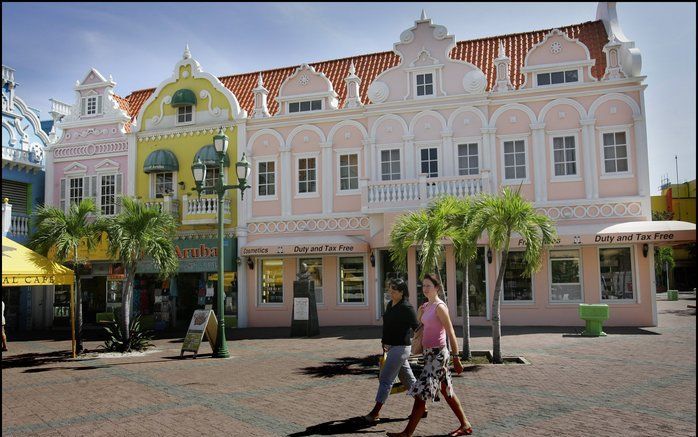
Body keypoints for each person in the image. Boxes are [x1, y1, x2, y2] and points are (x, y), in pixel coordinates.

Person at [387, 273, 473, 437]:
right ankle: (465, 425)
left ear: (437, 288)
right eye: (423, 286)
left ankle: (407, 432)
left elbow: (451, 332)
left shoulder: (440, 307)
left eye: (428, 286)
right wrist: (419, 313)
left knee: (420, 395)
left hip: (438, 355)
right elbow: (419, 329)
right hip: (428, 355)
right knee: (447, 391)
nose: (425, 289)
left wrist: (456, 357)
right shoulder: (426, 306)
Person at [363, 278, 422, 423]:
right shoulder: (390, 304)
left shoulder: (407, 308)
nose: (390, 292)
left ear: (402, 292)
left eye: (394, 290)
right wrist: (384, 341)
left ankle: (375, 412)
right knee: (408, 380)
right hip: (391, 347)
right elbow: (387, 325)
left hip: (401, 348)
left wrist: (421, 345)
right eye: (389, 289)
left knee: (385, 379)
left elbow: (417, 328)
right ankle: (422, 406)